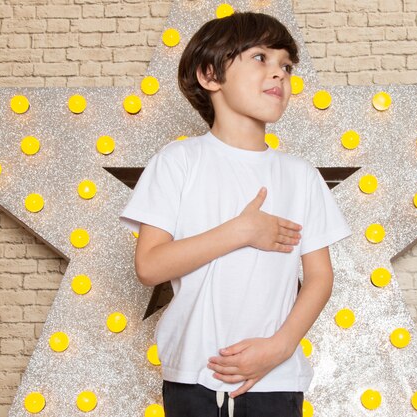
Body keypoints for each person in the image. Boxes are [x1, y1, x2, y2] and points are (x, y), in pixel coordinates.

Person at [119, 11, 352, 417]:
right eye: (260, 57)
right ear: (210, 75)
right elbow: (149, 266)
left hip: (275, 377)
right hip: (193, 374)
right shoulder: (178, 161)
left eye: (286, 65)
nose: (279, 73)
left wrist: (279, 348)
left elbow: (320, 277)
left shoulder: (301, 175)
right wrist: (241, 231)